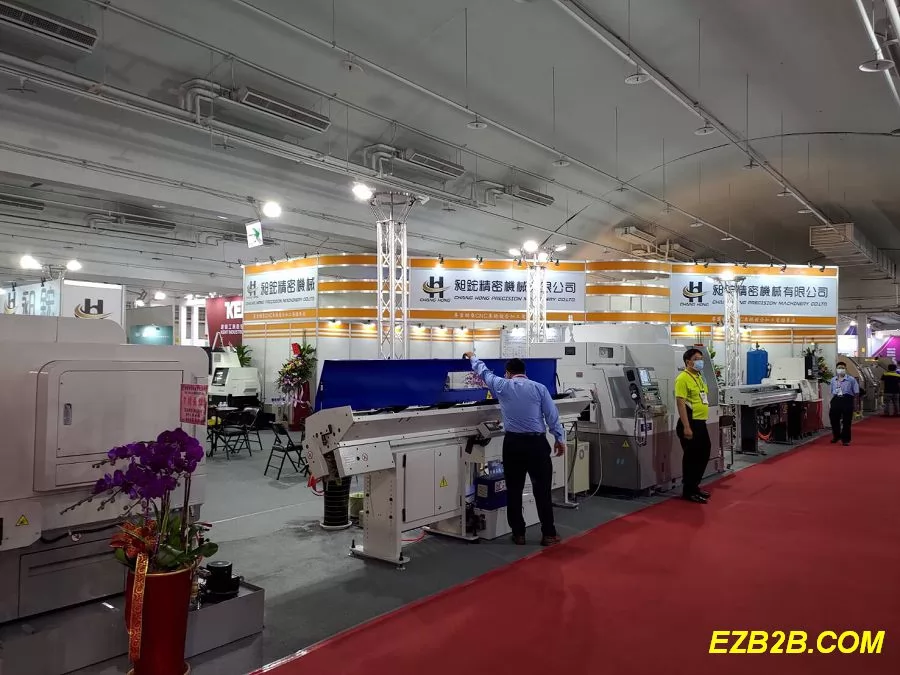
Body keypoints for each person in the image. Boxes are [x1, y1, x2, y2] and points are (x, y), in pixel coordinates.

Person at [462, 352, 565, 546]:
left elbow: (484, 372)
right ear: (524, 372)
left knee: (514, 490)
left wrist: (473, 357)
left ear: (508, 373)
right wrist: (560, 439)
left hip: (513, 444)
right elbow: (552, 416)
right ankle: (549, 534)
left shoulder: (502, 385)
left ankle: (519, 534)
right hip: (537, 444)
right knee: (542, 490)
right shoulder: (539, 388)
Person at [674, 348, 712, 504]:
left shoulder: (699, 377)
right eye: (696, 359)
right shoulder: (682, 378)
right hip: (690, 422)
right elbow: (681, 403)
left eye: (701, 358)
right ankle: (688, 491)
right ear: (688, 361)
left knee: (704, 453)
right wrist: (686, 427)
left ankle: (695, 486)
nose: (700, 361)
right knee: (692, 458)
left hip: (700, 422)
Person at [829, 361, 860, 446]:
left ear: (846, 369)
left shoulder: (851, 379)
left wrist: (856, 404)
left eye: (842, 368)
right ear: (836, 369)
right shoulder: (833, 380)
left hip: (847, 399)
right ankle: (836, 436)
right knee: (833, 419)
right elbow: (832, 391)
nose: (841, 369)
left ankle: (846, 439)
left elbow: (856, 392)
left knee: (847, 421)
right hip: (836, 399)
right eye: (839, 368)